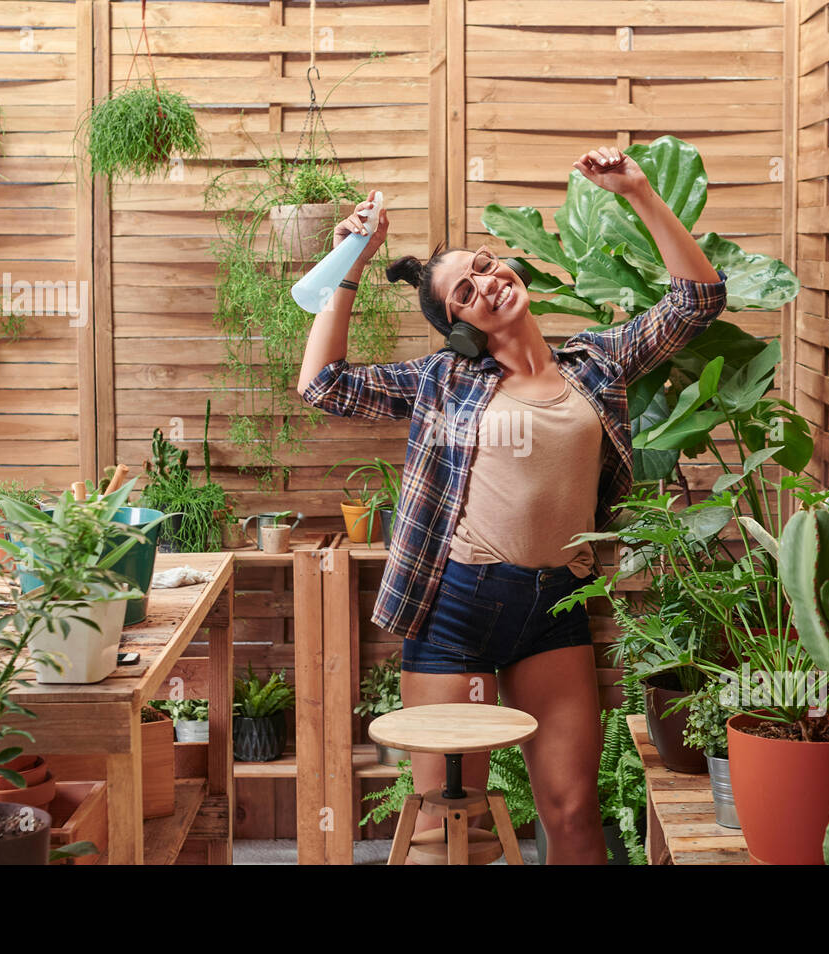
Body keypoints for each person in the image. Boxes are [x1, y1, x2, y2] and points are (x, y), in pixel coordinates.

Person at [297, 144, 727, 863]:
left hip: (551, 607)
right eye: (463, 293)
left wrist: (640, 192)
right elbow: (325, 384)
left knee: (573, 811)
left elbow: (696, 302)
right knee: (445, 826)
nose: (485, 284)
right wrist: (352, 264)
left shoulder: (598, 364)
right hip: (455, 607)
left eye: (484, 267)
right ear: (457, 326)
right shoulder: (442, 379)